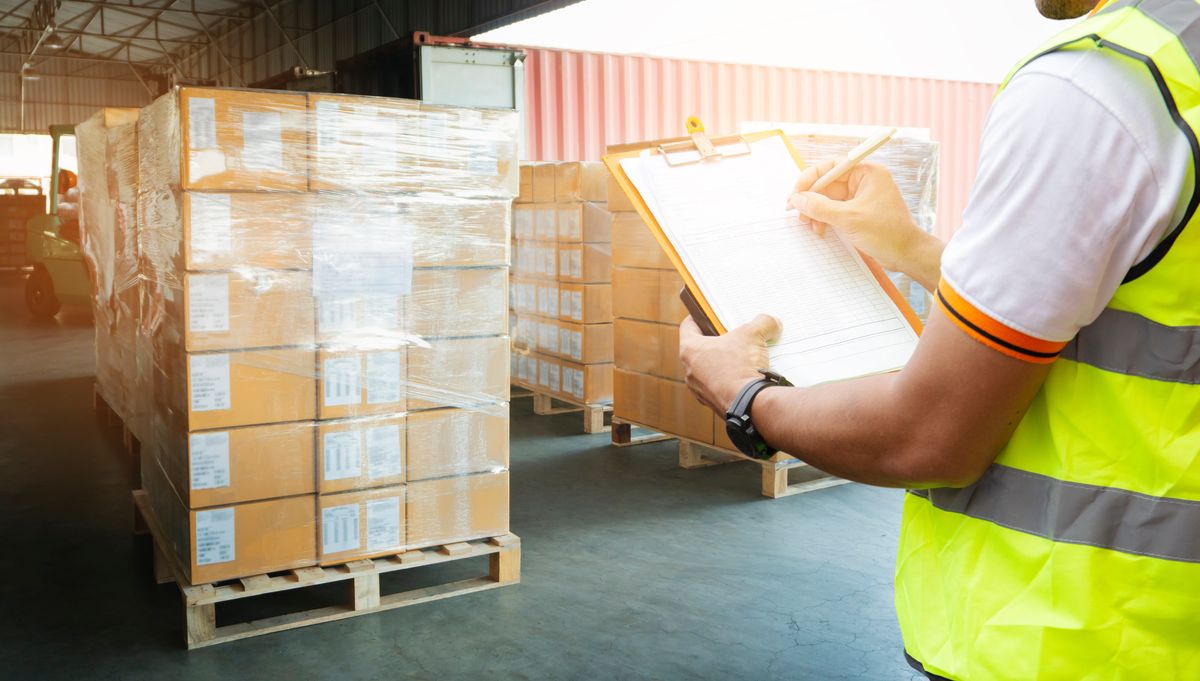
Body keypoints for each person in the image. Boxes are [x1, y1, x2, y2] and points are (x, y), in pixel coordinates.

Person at [677, 0, 1200, 678]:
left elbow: (929, 435)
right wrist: (913, 249)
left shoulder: (1105, 87)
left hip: (1073, 639)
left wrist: (744, 395)